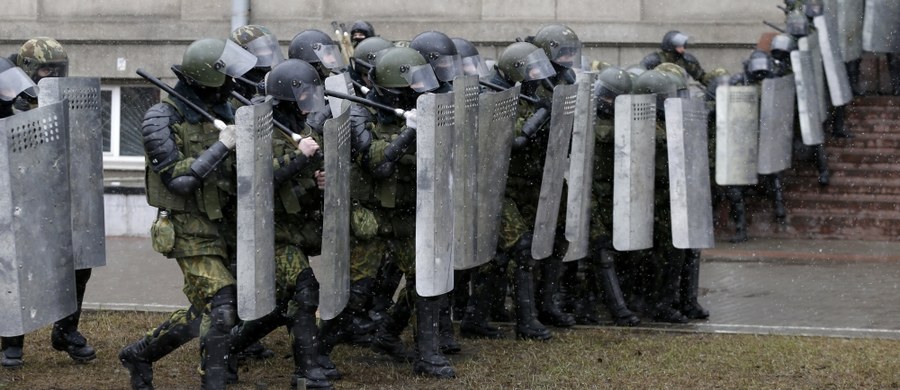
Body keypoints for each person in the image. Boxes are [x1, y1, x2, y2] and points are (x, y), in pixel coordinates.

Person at [131, 37, 255, 388]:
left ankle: (139, 354)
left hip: (224, 221)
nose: (233, 85)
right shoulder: (161, 117)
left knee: (207, 311)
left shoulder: (224, 109)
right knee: (223, 304)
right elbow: (179, 181)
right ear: (207, 80)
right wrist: (222, 145)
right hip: (186, 226)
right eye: (227, 78)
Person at [355, 46, 456, 378]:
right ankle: (316, 352)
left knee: (424, 280)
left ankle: (423, 353)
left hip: (406, 213)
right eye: (411, 86)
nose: (419, 91)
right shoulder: (364, 113)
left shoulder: (421, 109)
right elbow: (378, 165)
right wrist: (410, 131)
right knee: (356, 293)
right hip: (371, 216)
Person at [1, 37, 97, 369]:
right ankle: (12, 341)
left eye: (57, 70)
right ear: (27, 69)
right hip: (13, 195)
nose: (51, 75)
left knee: (78, 262)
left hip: (54, 191)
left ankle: (66, 330)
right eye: (45, 69)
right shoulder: (6, 92)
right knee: (15, 268)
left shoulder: (59, 99)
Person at [588, 66, 643, 326]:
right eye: (604, 94)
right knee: (600, 250)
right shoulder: (587, 115)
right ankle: (616, 309)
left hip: (612, 195)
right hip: (588, 194)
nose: (604, 101)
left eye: (611, 97)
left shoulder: (626, 121)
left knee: (613, 249)